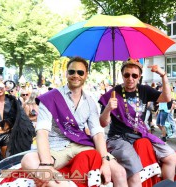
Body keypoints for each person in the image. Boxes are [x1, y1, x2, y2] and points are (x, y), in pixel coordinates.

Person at [21, 57, 127, 187]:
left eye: (80, 72)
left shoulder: (90, 101)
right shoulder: (50, 98)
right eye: (72, 72)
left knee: (120, 172)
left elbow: (98, 133)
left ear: (86, 75)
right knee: (28, 159)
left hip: (80, 145)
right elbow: (42, 132)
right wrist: (46, 165)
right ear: (66, 73)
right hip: (56, 148)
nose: (76, 75)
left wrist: (105, 161)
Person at [99, 58, 176, 187]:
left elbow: (166, 98)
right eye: (127, 75)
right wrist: (108, 108)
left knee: (171, 157)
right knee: (134, 170)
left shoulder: (143, 90)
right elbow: (102, 123)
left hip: (140, 133)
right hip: (118, 138)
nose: (130, 78)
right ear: (122, 75)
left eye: (134, 75)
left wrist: (163, 75)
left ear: (139, 77)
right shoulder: (112, 94)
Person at [0, 78, 35, 160]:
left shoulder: (12, 101)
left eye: (0, 87)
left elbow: (21, 117)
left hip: (7, 136)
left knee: (6, 161)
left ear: (5, 88)